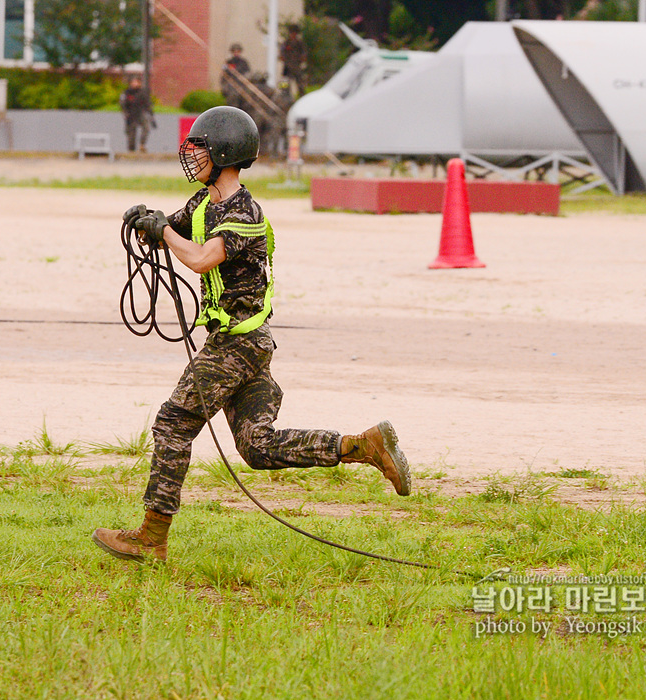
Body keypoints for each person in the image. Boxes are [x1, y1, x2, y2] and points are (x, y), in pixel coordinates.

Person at [92, 106, 412, 563]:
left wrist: (164, 231)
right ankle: (362, 445)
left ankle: (151, 537)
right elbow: (177, 232)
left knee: (173, 423)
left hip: (236, 345)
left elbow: (203, 258)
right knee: (257, 448)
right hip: (250, 344)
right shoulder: (205, 205)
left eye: (199, 147)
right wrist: (151, 223)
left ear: (224, 153)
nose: (192, 155)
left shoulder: (245, 211)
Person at [119, 76, 155, 153]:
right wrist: (125, 113)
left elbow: (148, 104)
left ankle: (142, 144)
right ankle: (131, 150)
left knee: (146, 128)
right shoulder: (127, 92)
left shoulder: (142, 92)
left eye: (136, 82)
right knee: (131, 133)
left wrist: (151, 114)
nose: (135, 84)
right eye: (133, 82)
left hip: (140, 113)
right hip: (131, 115)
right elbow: (122, 104)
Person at [280, 24, 308, 96]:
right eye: (291, 33)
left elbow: (304, 53)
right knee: (284, 83)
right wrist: (283, 57)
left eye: (294, 33)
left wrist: (302, 57)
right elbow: (281, 53)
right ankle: (284, 96)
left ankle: (302, 97)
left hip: (296, 66)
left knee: (300, 84)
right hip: (287, 66)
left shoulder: (299, 43)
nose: (293, 35)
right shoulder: (286, 43)